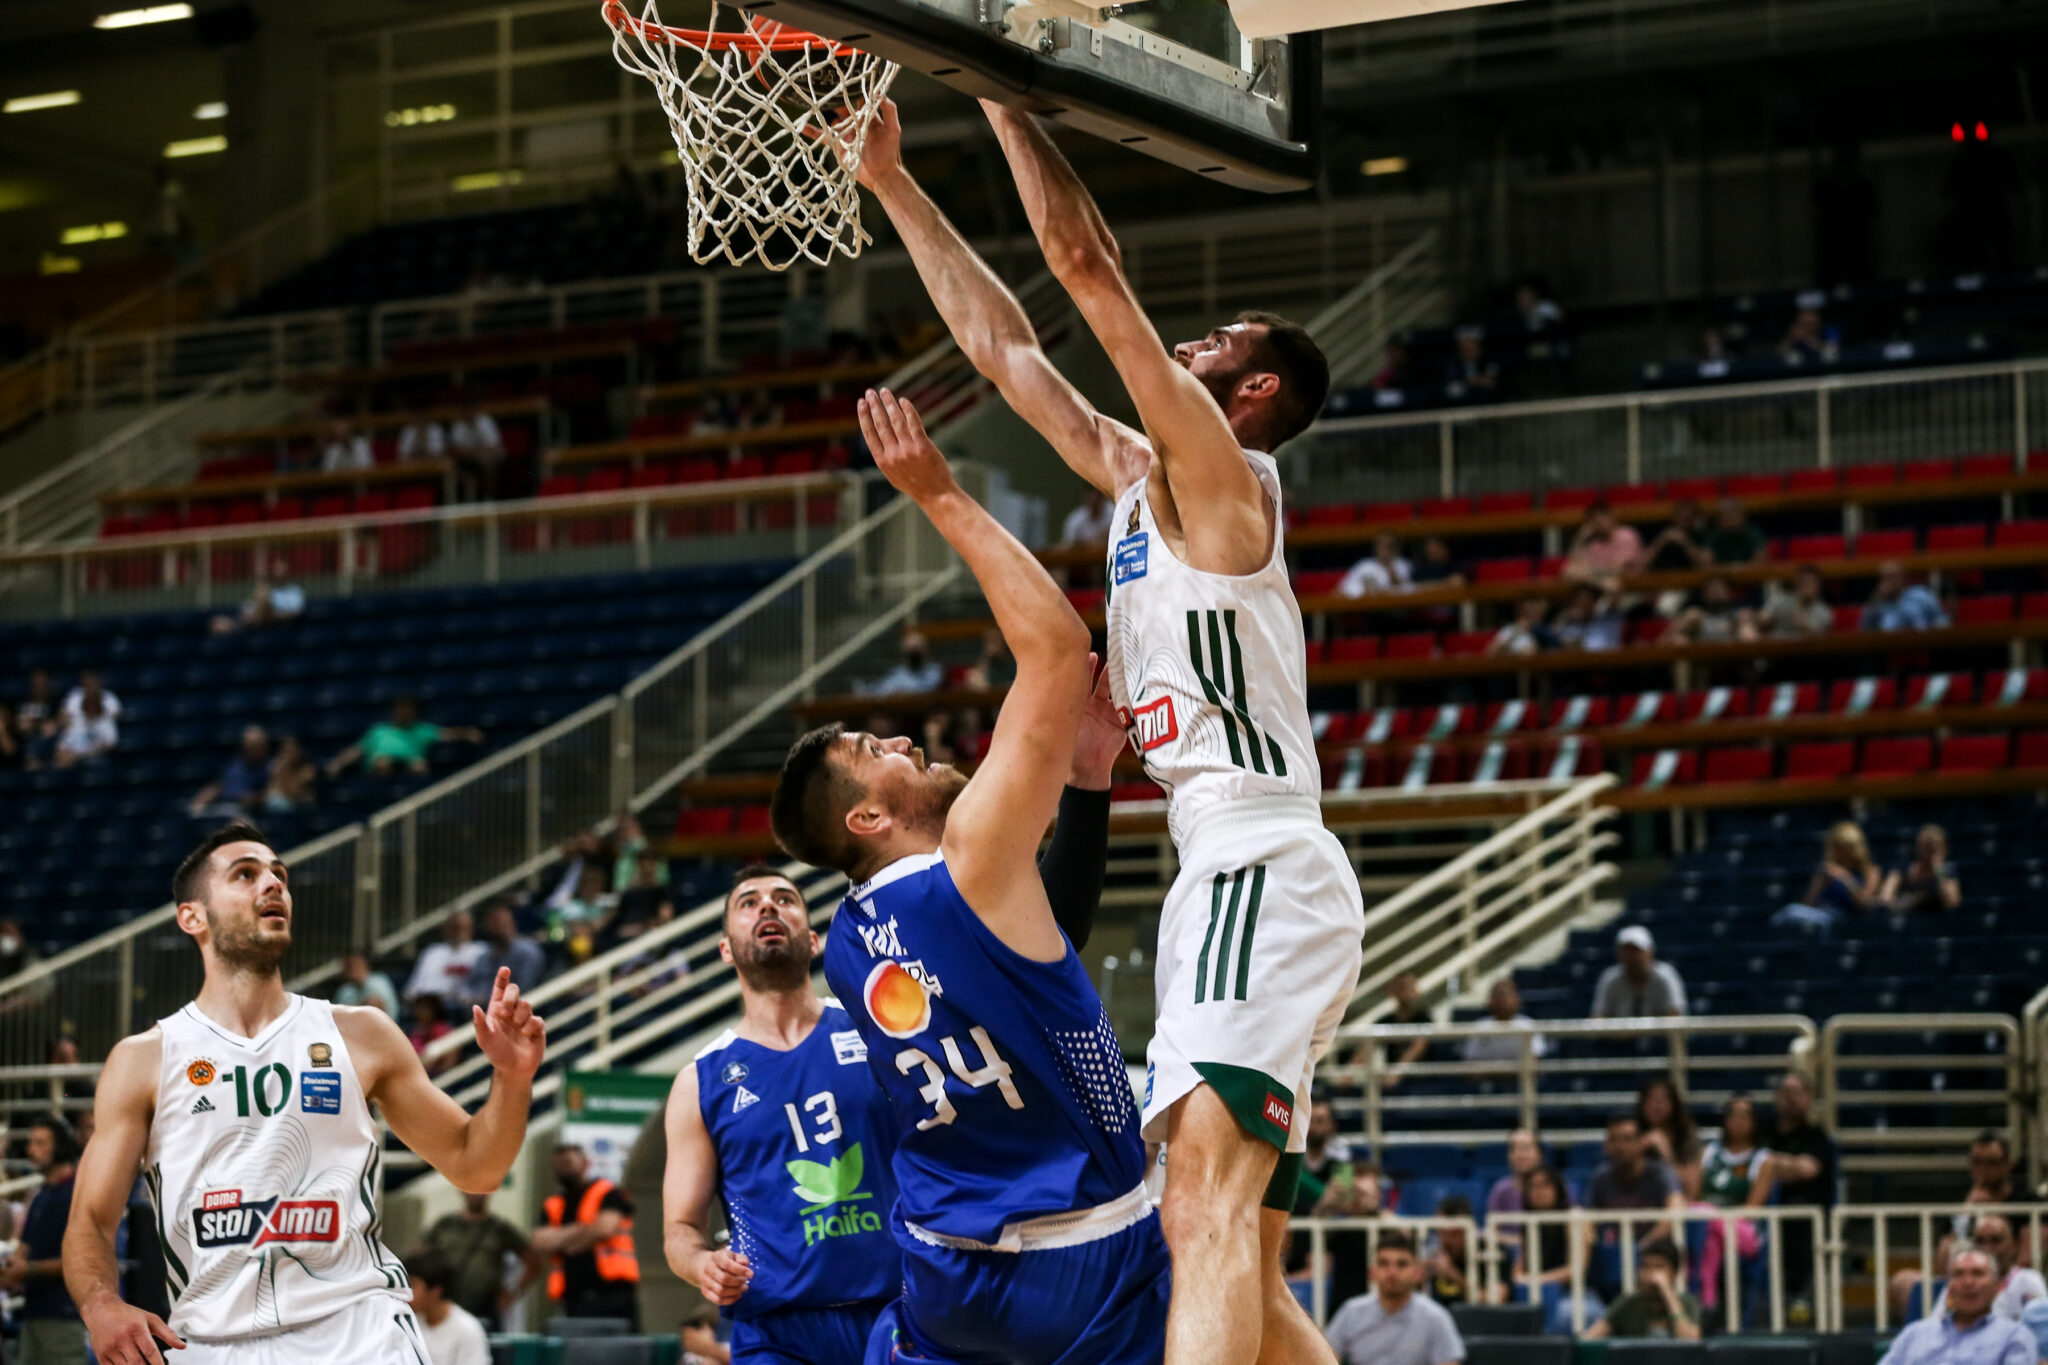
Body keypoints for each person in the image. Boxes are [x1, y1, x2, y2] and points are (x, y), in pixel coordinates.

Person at [845, 97, 1360, 1365]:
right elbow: (1007, 349)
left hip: (1254, 856)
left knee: (1196, 1212)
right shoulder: (1141, 486)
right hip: (1220, 867)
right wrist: (894, 185)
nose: (1189, 339)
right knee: (1237, 1247)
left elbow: (1086, 268)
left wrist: (1008, 91)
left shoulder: (1228, 492)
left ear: (1251, 391)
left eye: (1218, 339)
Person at [768, 388, 1171, 1363]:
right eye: (880, 750)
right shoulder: (970, 859)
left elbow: (1041, 943)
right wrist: (936, 491)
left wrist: (1084, 783)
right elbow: (1058, 651)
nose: (904, 738)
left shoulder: (854, 940)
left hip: (944, 1270)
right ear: (868, 817)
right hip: (1082, 1255)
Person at [65, 821, 545, 1365]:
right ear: (191, 917)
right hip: (210, 1343)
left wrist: (512, 1078)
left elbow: (474, 1166)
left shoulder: (360, 1033)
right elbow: (90, 1219)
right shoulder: (145, 1058)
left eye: (279, 875)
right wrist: (101, 1306)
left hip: (358, 1335)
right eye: (245, 875)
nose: (272, 885)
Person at [663, 866, 903, 1361]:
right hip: (777, 1333)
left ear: (813, 941)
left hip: (899, 1312)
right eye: (748, 903)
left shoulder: (876, 1033)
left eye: (784, 898)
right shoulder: (699, 1082)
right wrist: (702, 1264)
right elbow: (680, 1229)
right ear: (726, 949)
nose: (768, 907)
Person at [4, 1114, 84, 1364]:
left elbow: (81, 1260)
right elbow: (24, 1251)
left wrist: (24, 1270)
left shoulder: (77, 1194)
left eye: (40, 1143)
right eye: (30, 1143)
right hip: (33, 1312)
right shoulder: (40, 1197)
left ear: (60, 1145)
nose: (31, 1150)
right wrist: (10, 1271)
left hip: (63, 1314)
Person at [1323, 1231, 1466, 1365]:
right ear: (1372, 1272)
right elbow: (1322, 1358)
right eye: (1383, 1263)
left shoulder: (1436, 1317)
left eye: (1402, 1264)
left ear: (1418, 1273)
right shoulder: (1351, 1312)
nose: (1392, 1272)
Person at [1585, 1115, 1687, 1302]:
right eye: (1615, 1140)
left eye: (1627, 1139)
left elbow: (1676, 1208)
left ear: (1642, 1142)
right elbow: (1588, 1219)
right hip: (1612, 1257)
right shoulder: (1600, 1177)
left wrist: (1641, 1249)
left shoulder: (1660, 1173)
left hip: (1653, 1253)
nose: (1621, 1146)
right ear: (1607, 1145)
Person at [534, 1145, 639, 1326]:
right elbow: (540, 1241)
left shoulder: (608, 1192)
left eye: (568, 1163)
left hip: (613, 1294)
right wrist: (586, 1232)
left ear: (585, 1163)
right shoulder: (553, 1204)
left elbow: (605, 1229)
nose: (563, 1170)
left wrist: (562, 1239)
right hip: (574, 1297)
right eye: (558, 1165)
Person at [1877, 1248, 2036, 1365]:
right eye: (1959, 1274)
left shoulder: (2015, 1337)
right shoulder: (1914, 1335)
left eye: (1978, 1273)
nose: (1968, 1282)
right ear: (1949, 1288)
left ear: (1997, 1287)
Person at [1766, 1072, 1836, 1307]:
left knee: (1797, 1212)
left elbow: (1807, 1169)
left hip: (1803, 1220)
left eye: (1798, 1093)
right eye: (1786, 1093)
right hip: (1760, 1212)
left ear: (1809, 1099)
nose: (1791, 1099)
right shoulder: (1765, 1135)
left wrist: (1767, 1164)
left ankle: (1798, 1291)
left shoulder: (1817, 1138)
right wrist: (1785, 1166)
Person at [421, 1191, 539, 1332]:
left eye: (480, 1191)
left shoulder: (500, 1228)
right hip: (447, 1303)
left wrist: (513, 1293)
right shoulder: (445, 1225)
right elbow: (422, 1260)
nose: (476, 1195)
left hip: (486, 1307)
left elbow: (533, 1260)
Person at [1510, 1166, 1594, 1333]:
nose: (1539, 1192)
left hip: (1573, 1294)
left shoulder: (1575, 1217)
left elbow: (1576, 1269)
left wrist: (1537, 1279)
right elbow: (1517, 1273)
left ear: (1558, 1189)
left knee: (1563, 1316)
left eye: (1545, 1185)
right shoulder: (1530, 1223)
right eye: (1533, 1187)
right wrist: (1530, 1281)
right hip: (1537, 1293)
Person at [327, 697, 482, 779]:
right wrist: (338, 763)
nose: (403, 713)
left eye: (407, 710)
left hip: (411, 767)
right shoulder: (379, 730)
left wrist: (467, 733)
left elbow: (446, 734)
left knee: (419, 766)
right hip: (380, 769)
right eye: (400, 710)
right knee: (383, 762)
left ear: (414, 712)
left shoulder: (422, 730)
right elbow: (357, 750)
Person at [1582, 1238, 1703, 1340]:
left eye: (1659, 1267)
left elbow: (1690, 1341)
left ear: (1675, 1273)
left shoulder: (1687, 1302)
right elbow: (1590, 1338)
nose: (1651, 1273)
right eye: (1646, 1266)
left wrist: (1667, 1293)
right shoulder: (1628, 1302)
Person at [1933, 1215, 2048, 1323]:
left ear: (2014, 1244)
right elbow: (1936, 1323)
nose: (1987, 1247)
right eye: (1980, 1241)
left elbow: (2041, 1327)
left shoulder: (2028, 1280)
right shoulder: (1960, 1281)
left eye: (1996, 1240)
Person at [403, 1249, 490, 1365]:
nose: (406, 1292)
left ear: (435, 1291)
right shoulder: (409, 1323)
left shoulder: (468, 1329)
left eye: (413, 1285)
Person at [1591, 928, 1688, 1018]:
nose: (1631, 957)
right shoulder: (1610, 978)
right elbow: (1598, 1019)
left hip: (1659, 1036)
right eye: (1626, 951)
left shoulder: (1665, 976)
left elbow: (1677, 1018)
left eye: (1636, 951)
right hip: (1620, 1036)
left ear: (1649, 952)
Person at [405, 910, 490, 1011]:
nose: (457, 931)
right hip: (431, 1008)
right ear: (445, 929)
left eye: (461, 927)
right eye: (453, 927)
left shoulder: (482, 950)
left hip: (465, 1009)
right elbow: (413, 989)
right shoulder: (432, 951)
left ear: (471, 928)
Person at [188, 727, 272, 818]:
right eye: (248, 746)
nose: (250, 750)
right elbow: (218, 786)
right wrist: (200, 802)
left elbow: (272, 794)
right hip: (225, 808)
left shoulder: (271, 768)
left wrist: (255, 799)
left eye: (254, 746)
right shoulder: (234, 765)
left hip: (251, 813)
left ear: (264, 747)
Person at [1808, 820, 1885, 920]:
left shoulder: (1871, 871)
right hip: (1822, 916)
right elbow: (1808, 904)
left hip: (1850, 920)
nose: (1841, 851)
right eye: (1836, 846)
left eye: (1845, 846)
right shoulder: (1827, 871)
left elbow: (1863, 904)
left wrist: (1844, 878)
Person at [1462, 979, 1549, 1066]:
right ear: (1490, 1000)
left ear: (1517, 999)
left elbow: (1534, 1064)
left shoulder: (1528, 1025)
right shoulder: (1480, 1026)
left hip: (1522, 1079)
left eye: (1507, 995)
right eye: (1498, 996)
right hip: (1488, 1080)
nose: (1503, 1000)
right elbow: (1471, 1067)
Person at [1634, 1078, 1702, 1187]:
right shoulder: (1631, 1133)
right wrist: (1636, 1151)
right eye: (1651, 1099)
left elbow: (1692, 1189)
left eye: (1662, 1100)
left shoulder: (1686, 1136)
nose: (1656, 1105)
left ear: (1674, 1104)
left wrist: (1666, 1153)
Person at [1883, 824, 1962, 915]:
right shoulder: (1903, 868)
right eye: (1926, 847)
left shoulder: (1947, 871)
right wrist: (1911, 900)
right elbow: (1885, 897)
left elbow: (1953, 902)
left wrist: (1938, 869)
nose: (1929, 853)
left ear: (1943, 849)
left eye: (1933, 848)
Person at [476, 903, 546, 995]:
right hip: (483, 1003)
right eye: (494, 923)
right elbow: (471, 984)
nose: (498, 926)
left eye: (502, 923)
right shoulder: (484, 957)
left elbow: (525, 986)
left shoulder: (528, 951)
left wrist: (487, 998)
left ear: (513, 924)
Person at [1424, 1195, 1480, 1308]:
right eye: (1442, 1232)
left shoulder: (1490, 1252)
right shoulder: (1430, 1253)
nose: (1447, 1240)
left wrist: (1452, 1274)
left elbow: (1497, 1298)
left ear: (1470, 1229)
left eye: (1454, 1233)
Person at [1565, 502, 1642, 584]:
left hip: (1627, 588)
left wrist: (1587, 573)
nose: (1596, 524)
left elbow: (1618, 570)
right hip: (1598, 586)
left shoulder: (1626, 535)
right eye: (1592, 521)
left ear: (1611, 517)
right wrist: (1580, 537)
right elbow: (1571, 569)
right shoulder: (1592, 541)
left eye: (1599, 519)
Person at [1863, 561, 1950, 632]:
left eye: (1893, 577)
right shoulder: (1877, 605)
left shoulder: (1920, 595)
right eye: (1885, 578)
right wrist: (1877, 598)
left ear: (1901, 578)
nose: (1889, 583)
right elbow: (1865, 632)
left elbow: (1942, 620)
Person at [1671, 575, 1757, 644]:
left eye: (1719, 589)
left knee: (1748, 631)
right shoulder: (1696, 615)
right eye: (1712, 589)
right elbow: (1672, 637)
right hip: (1702, 659)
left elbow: (1752, 637)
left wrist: (1743, 624)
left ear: (1728, 593)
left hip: (1733, 658)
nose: (1716, 593)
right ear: (1704, 595)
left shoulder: (1739, 615)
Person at [857, 630, 944, 696]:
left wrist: (905, 692)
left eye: (917, 648)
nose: (914, 652)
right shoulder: (898, 673)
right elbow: (881, 690)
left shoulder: (936, 671)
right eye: (910, 649)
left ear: (926, 650)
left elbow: (929, 689)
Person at [447, 403, 505, 501]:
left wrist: (479, 453)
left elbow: (494, 446)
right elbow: (455, 450)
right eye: (466, 411)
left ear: (475, 411)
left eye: (471, 411)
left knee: (489, 461)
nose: (469, 414)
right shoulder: (458, 425)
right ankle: (477, 497)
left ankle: (491, 496)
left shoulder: (485, 421)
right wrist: (475, 453)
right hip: (466, 462)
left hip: (486, 458)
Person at [1759, 565, 1834, 639]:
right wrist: (1761, 619)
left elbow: (1820, 637)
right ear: (1796, 583)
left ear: (1818, 586)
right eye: (1803, 582)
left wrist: (1805, 626)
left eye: (1810, 583)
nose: (1806, 587)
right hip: (1777, 647)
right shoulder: (1780, 600)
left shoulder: (1824, 612)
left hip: (1808, 649)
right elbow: (1762, 620)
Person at [1486, 1128, 1545, 1221]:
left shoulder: (1557, 1187)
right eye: (1515, 1149)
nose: (1521, 1155)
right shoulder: (1500, 1190)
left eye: (1526, 1148)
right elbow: (1492, 1229)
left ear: (1539, 1153)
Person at [1639, 502, 1710, 574]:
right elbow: (1641, 566)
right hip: (1660, 579)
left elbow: (1705, 565)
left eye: (1687, 517)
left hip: (1690, 580)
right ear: (1674, 517)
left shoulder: (1699, 535)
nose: (1683, 520)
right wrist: (1661, 541)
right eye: (1681, 516)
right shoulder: (1662, 534)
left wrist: (1685, 542)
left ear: (1694, 518)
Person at [1337, 533, 1413, 598]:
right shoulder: (1364, 565)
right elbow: (1342, 590)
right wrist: (1365, 592)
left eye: (1389, 546)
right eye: (1381, 546)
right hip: (1367, 610)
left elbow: (1410, 589)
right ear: (1375, 547)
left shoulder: (1403, 565)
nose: (1385, 551)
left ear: (1397, 548)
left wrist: (1392, 573)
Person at [1550, 585, 1623, 652]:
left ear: (1594, 602)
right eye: (1579, 600)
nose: (1582, 604)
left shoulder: (1607, 620)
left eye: (1586, 600)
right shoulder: (1569, 623)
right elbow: (1557, 641)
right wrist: (1563, 618)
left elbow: (1609, 646)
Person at [333, 950, 400, 1017]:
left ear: (365, 965)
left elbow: (379, 1009)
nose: (353, 970)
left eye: (356, 965)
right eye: (349, 967)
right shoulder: (343, 991)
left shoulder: (379, 980)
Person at [1706, 498, 1768, 567]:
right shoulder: (1714, 535)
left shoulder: (1753, 533)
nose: (1731, 520)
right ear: (1718, 519)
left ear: (1743, 516)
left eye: (1734, 515)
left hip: (1750, 573)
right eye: (1727, 516)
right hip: (1722, 574)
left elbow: (1760, 559)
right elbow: (1707, 561)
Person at [1488, 597, 1557, 657]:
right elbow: (1491, 652)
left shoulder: (1547, 630)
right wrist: (1517, 631)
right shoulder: (1509, 629)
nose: (1534, 609)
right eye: (1530, 605)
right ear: (1519, 608)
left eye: (1537, 604)